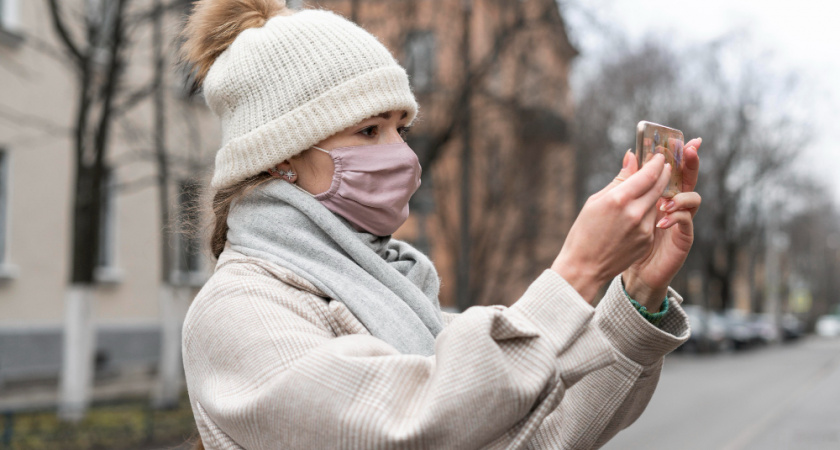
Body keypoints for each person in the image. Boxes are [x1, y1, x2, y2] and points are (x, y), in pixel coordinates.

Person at [179, 1, 702, 449]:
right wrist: (577, 272)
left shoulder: (401, 291)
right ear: (279, 158)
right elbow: (406, 426)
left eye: (399, 127)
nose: (401, 155)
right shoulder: (240, 309)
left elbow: (538, 433)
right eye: (368, 130)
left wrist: (639, 289)